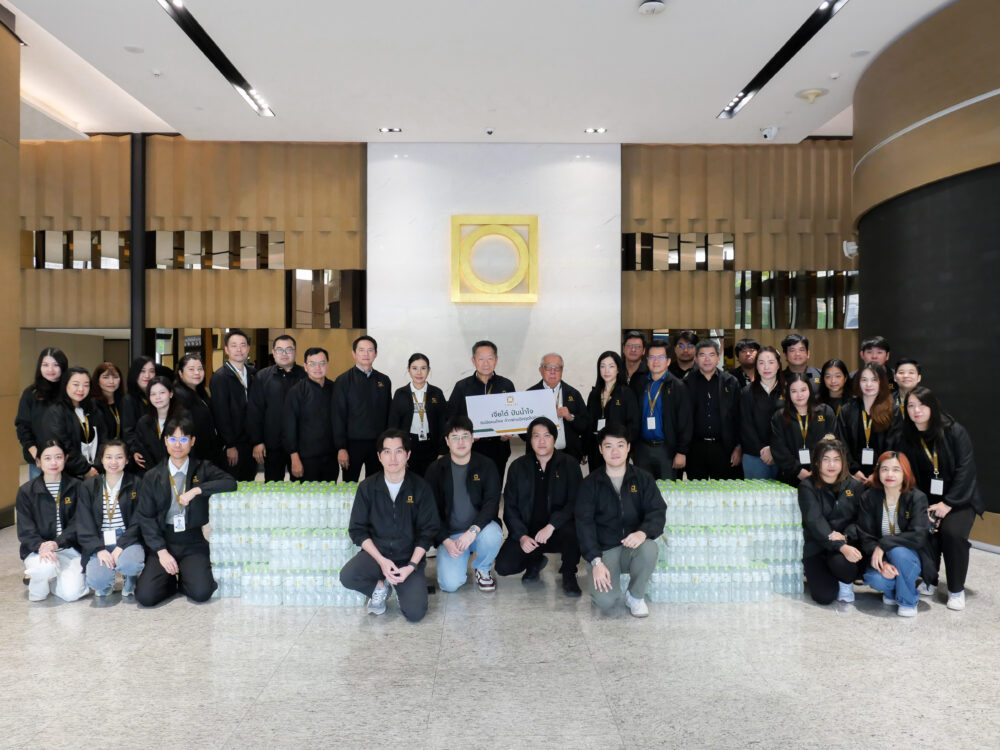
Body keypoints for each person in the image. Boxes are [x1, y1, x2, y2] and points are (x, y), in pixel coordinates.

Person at [134, 416, 237, 606]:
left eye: (183, 439)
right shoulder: (152, 476)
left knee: (202, 593)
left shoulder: (202, 468)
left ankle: (186, 578)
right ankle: (169, 582)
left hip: (193, 541)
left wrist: (198, 490)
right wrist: (161, 552)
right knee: (145, 597)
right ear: (166, 441)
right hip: (164, 540)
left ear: (192, 441)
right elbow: (146, 518)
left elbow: (230, 483)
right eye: (173, 439)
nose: (178, 445)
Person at [340, 429, 440, 621]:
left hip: (408, 559)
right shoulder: (367, 488)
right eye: (387, 452)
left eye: (398, 451)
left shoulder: (420, 488)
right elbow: (357, 530)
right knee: (348, 576)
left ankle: (403, 587)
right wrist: (381, 561)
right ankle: (380, 587)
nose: (393, 458)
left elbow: (428, 532)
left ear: (408, 455)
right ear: (379, 456)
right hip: (377, 556)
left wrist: (411, 566)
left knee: (415, 613)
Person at [898, 386, 983, 610]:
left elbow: (966, 470)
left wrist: (948, 503)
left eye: (922, 405)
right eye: (911, 406)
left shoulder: (954, 431)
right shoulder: (907, 437)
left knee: (952, 534)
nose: (916, 410)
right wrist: (922, 507)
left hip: (960, 499)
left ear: (933, 406)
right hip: (928, 500)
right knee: (924, 529)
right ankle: (929, 579)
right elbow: (909, 476)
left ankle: (956, 590)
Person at [575, 424, 666, 617]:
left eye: (620, 445)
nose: (615, 451)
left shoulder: (643, 479)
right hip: (604, 550)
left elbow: (657, 510)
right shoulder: (590, 484)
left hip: (632, 546)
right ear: (600, 449)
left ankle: (635, 596)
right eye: (608, 446)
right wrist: (596, 561)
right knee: (605, 602)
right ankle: (601, 573)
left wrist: (642, 532)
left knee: (649, 548)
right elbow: (584, 524)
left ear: (628, 448)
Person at [495, 417, 584, 596]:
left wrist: (552, 525)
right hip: (528, 531)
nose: (541, 441)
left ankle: (569, 572)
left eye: (547, 436)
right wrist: (521, 536)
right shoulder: (518, 467)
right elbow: (510, 507)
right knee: (503, 566)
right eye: (536, 436)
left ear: (554, 438)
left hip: (558, 529)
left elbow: (575, 502)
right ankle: (534, 562)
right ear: (530, 439)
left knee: (574, 530)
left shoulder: (569, 464)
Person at [424, 416, 503, 593]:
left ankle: (482, 568)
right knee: (449, 585)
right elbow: (431, 512)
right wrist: (445, 540)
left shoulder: (486, 465)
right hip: (451, 536)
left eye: (465, 436)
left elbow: (491, 503)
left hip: (479, 531)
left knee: (493, 535)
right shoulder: (435, 470)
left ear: (473, 438)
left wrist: (472, 531)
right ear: (447, 441)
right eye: (455, 437)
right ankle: (459, 559)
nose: (460, 442)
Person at [853, 451, 933, 617]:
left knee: (898, 552)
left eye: (896, 470)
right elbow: (865, 536)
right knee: (875, 579)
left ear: (905, 473)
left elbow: (918, 535)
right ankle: (893, 592)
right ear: (878, 472)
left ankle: (908, 601)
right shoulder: (869, 497)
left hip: (910, 556)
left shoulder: (917, 498)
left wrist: (885, 544)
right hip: (882, 557)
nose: (890, 474)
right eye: (885, 469)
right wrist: (883, 563)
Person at [15, 439, 88, 602]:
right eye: (47, 458)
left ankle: (56, 579)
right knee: (45, 569)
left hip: (69, 548)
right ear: (38, 462)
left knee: (71, 595)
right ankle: (38, 589)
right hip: (38, 549)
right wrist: (41, 546)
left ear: (65, 459)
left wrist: (57, 543)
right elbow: (25, 530)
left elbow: (79, 522)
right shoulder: (26, 491)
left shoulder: (78, 487)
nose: (53, 462)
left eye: (58, 457)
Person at [797, 436, 864, 605]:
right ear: (817, 462)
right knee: (824, 596)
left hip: (845, 544)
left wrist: (846, 537)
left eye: (836, 459)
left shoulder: (854, 486)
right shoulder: (807, 486)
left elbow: (860, 519)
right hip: (817, 546)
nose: (831, 464)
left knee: (846, 567)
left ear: (843, 462)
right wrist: (839, 545)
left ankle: (845, 582)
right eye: (825, 459)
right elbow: (814, 521)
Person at [78, 439, 145, 598]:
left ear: (127, 460)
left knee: (130, 565)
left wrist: (121, 546)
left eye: (119, 457)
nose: (113, 462)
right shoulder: (89, 486)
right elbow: (84, 523)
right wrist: (99, 549)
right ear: (101, 459)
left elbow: (139, 519)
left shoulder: (136, 483)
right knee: (97, 582)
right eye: (108, 457)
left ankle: (130, 576)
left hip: (127, 538)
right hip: (100, 540)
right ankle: (107, 582)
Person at [447, 340, 516, 481]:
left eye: (490, 358)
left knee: (494, 487)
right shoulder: (462, 387)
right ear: (473, 361)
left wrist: (509, 432)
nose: (486, 363)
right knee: (471, 489)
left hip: (498, 448)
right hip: (469, 449)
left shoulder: (506, 385)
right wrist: (465, 433)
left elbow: (513, 415)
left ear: (496, 360)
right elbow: (451, 419)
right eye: (481, 359)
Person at [630, 338, 691, 480]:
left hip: (667, 449)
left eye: (661, 357)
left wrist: (682, 452)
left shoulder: (678, 386)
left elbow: (685, 422)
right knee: (644, 488)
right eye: (652, 357)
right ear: (647, 360)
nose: (656, 361)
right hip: (642, 448)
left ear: (668, 361)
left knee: (666, 490)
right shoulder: (639, 384)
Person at [247, 334, 306, 482]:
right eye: (279, 350)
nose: (284, 354)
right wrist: (257, 441)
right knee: (273, 487)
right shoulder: (262, 377)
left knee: (301, 488)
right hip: (272, 445)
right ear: (273, 352)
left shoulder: (306, 376)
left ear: (295, 351)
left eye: (288, 349)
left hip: (301, 445)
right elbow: (255, 412)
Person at [333, 335, 392, 482]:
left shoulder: (384, 380)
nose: (366, 354)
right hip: (352, 445)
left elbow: (389, 414)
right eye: (361, 350)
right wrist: (341, 448)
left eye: (370, 350)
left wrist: (388, 444)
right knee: (349, 486)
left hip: (378, 444)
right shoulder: (343, 380)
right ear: (354, 353)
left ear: (375, 354)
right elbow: (338, 416)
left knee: (376, 484)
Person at [684, 340, 741, 480]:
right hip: (695, 448)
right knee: (696, 490)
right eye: (702, 355)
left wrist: (738, 447)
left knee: (723, 491)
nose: (707, 359)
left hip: (723, 447)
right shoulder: (686, 383)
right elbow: (682, 419)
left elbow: (739, 417)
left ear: (718, 357)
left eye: (711, 355)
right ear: (696, 358)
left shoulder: (731, 382)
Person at [770, 373, 837, 487]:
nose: (799, 395)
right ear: (788, 393)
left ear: (810, 390)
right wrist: (798, 471)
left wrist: (819, 469)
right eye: (794, 391)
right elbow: (779, 448)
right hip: (790, 476)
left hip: (822, 474)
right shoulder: (779, 416)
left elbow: (833, 444)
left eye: (803, 390)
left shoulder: (825, 412)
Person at [282, 347, 338, 481]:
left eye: (322, 363)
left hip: (330, 457)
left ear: (327, 365)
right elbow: (289, 427)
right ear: (306, 367)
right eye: (312, 364)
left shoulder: (335, 388)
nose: (317, 367)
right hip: (305, 459)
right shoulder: (296, 391)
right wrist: (294, 457)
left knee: (330, 493)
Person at [387, 353, 447, 477]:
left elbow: (443, 424)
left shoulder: (436, 393)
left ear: (428, 370)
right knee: (410, 481)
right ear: (408, 370)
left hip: (432, 446)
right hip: (408, 446)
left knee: (431, 481)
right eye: (414, 368)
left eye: (423, 368)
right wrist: (398, 453)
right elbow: (393, 425)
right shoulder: (400, 393)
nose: (419, 372)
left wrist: (443, 451)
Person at [835, 363, 896, 483]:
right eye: (864, 380)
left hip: (885, 474)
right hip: (853, 475)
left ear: (881, 382)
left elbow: (893, 446)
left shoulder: (893, 410)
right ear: (858, 382)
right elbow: (842, 443)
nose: (868, 384)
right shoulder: (848, 409)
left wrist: (878, 473)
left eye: (874, 380)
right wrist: (854, 470)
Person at [523, 352, 589, 461]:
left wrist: (570, 417)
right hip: (538, 456)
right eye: (548, 367)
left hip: (569, 456)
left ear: (562, 370)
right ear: (540, 370)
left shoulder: (573, 394)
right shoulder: (529, 395)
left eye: (557, 368)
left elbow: (585, 425)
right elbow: (522, 432)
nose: (553, 372)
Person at [210, 329, 258, 481]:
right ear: (226, 350)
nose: (239, 349)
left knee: (249, 482)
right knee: (232, 484)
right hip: (233, 445)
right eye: (234, 345)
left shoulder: (253, 374)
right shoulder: (220, 377)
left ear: (248, 349)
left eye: (243, 345)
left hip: (251, 442)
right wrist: (230, 445)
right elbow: (221, 414)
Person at [15, 347, 68, 481]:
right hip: (40, 460)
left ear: (63, 366)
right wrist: (36, 453)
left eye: (55, 365)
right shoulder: (31, 393)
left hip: (68, 459)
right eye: (45, 365)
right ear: (40, 367)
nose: (50, 369)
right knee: (40, 493)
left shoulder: (70, 391)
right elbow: (23, 426)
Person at [43, 367, 100, 480]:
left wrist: (97, 466)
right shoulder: (56, 411)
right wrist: (86, 469)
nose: (81, 389)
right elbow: (63, 445)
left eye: (86, 385)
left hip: (96, 471)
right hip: (69, 475)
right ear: (66, 385)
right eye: (76, 384)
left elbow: (104, 438)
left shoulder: (93, 408)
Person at [584, 351, 639, 469]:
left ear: (618, 369)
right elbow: (588, 423)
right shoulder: (594, 394)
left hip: (616, 450)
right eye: (602, 366)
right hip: (596, 448)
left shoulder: (626, 393)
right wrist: (585, 449)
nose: (606, 371)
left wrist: (624, 446)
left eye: (611, 366)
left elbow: (633, 424)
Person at [739, 346, 784, 480]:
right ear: (756, 366)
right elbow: (745, 425)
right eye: (761, 363)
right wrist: (764, 450)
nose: (766, 367)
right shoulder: (747, 392)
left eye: (771, 362)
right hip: (754, 455)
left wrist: (774, 450)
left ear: (778, 365)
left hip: (784, 455)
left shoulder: (788, 391)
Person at [130, 376, 187, 474]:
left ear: (171, 394)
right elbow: (140, 449)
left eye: (162, 392)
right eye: (153, 394)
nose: (158, 397)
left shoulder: (183, 419)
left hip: (179, 472)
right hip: (151, 475)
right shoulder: (143, 422)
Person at [173, 353, 221, 466]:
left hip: (207, 452)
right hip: (193, 454)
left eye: (200, 369)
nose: (197, 373)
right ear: (180, 373)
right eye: (191, 369)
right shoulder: (177, 396)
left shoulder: (201, 392)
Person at [121, 356, 157, 466]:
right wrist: (134, 450)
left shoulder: (156, 396)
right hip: (141, 455)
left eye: (151, 371)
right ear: (135, 373)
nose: (147, 375)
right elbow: (128, 431)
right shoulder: (129, 399)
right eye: (142, 371)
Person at [91, 361, 126, 441]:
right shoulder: (93, 405)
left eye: (115, 377)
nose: (111, 381)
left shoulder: (124, 402)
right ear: (97, 380)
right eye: (105, 377)